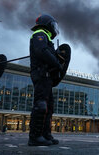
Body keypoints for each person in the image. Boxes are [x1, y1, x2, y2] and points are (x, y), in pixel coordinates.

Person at [28, 14, 71, 146]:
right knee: (41, 105)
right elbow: (42, 51)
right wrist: (57, 63)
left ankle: (45, 135)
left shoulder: (46, 37)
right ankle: (35, 137)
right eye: (53, 25)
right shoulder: (39, 34)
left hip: (46, 76)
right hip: (41, 75)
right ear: (48, 24)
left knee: (48, 107)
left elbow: (47, 52)